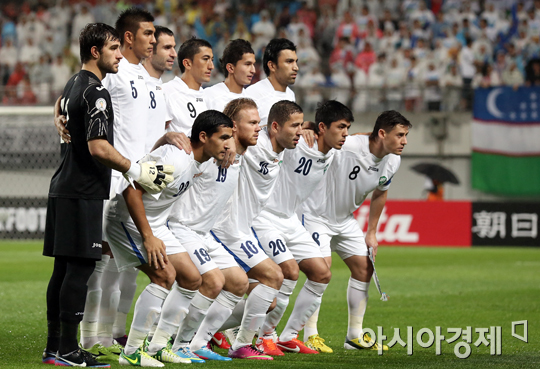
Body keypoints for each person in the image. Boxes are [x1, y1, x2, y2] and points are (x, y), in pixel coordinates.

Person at [42, 23, 172, 368]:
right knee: (82, 267)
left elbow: (66, 108)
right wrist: (134, 168)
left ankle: (55, 348)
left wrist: (58, 113)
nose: (119, 55)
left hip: (64, 186)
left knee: (63, 269)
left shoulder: (74, 83)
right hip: (83, 190)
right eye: (114, 49)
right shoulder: (97, 92)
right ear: (96, 52)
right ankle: (69, 349)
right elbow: (99, 147)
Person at [104, 110, 234, 367]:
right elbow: (133, 190)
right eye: (223, 138)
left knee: (192, 279)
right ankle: (131, 351)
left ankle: (158, 345)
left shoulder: (201, 158)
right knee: (164, 277)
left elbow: (146, 164)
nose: (228, 144)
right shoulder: (179, 160)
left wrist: (163, 139)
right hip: (128, 219)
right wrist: (148, 236)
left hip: (156, 221)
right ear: (204, 137)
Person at [301, 110, 412, 352]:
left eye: (406, 135)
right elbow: (325, 131)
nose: (405, 141)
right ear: (382, 133)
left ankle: (354, 336)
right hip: (315, 215)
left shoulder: (393, 160)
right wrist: (307, 126)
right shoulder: (349, 145)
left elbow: (381, 192)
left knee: (365, 268)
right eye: (400, 135)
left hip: (344, 219)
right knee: (322, 269)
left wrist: (371, 232)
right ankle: (310, 335)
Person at [165, 98, 261, 361]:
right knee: (213, 281)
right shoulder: (211, 150)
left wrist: (308, 129)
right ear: (233, 126)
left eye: (260, 124)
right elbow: (194, 144)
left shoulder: (244, 154)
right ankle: (175, 342)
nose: (258, 129)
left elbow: (282, 136)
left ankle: (198, 343)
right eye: (252, 123)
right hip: (182, 227)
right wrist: (167, 137)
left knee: (239, 282)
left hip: (204, 233)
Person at [252, 100, 352, 355]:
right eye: (341, 127)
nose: (345, 134)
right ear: (321, 127)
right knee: (289, 271)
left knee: (322, 274)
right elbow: (275, 132)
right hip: (266, 217)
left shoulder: (332, 150)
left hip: (290, 220)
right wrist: (303, 128)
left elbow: (362, 142)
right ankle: (265, 335)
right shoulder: (298, 143)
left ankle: (289, 335)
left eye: (347, 128)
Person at [210, 100, 305, 359]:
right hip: (227, 229)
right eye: (295, 126)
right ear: (275, 127)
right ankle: (242, 343)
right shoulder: (255, 144)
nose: (300, 131)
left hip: (244, 227)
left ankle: (202, 333)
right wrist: (227, 140)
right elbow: (215, 137)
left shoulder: (281, 147)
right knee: (273, 277)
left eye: (302, 126)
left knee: (267, 298)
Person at [163, 37, 213, 135]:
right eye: (205, 59)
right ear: (187, 63)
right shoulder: (168, 92)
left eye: (212, 59)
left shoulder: (208, 97)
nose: (211, 66)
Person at [245, 38, 298, 126]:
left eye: (296, 62)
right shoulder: (252, 94)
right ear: (272, 65)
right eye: (289, 62)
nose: (296, 67)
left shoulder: (290, 94)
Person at [203, 39, 256, 112]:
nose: (253, 70)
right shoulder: (209, 96)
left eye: (253, 64)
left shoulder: (252, 99)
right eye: (247, 64)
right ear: (230, 68)